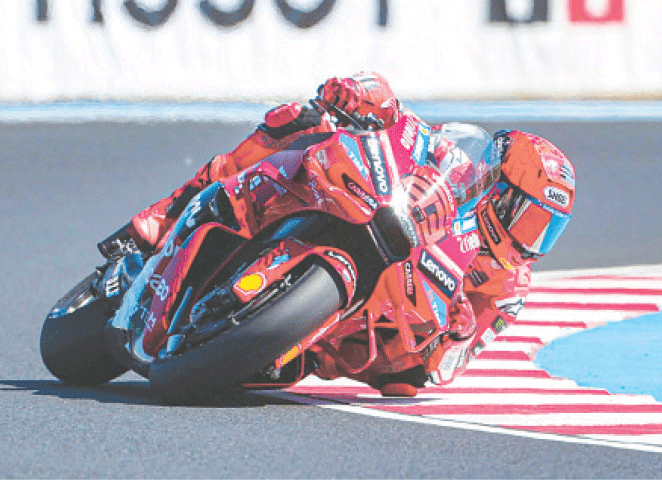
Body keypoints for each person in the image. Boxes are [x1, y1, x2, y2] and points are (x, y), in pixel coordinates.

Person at [108, 72, 576, 397]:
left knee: (406, 381)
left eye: (546, 231)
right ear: (499, 189)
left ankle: (291, 343)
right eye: (529, 220)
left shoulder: (508, 287)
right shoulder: (453, 162)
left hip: (384, 319)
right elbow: (399, 117)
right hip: (369, 209)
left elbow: (449, 368)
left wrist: (456, 337)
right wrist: (359, 94)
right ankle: (168, 212)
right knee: (298, 121)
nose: (529, 241)